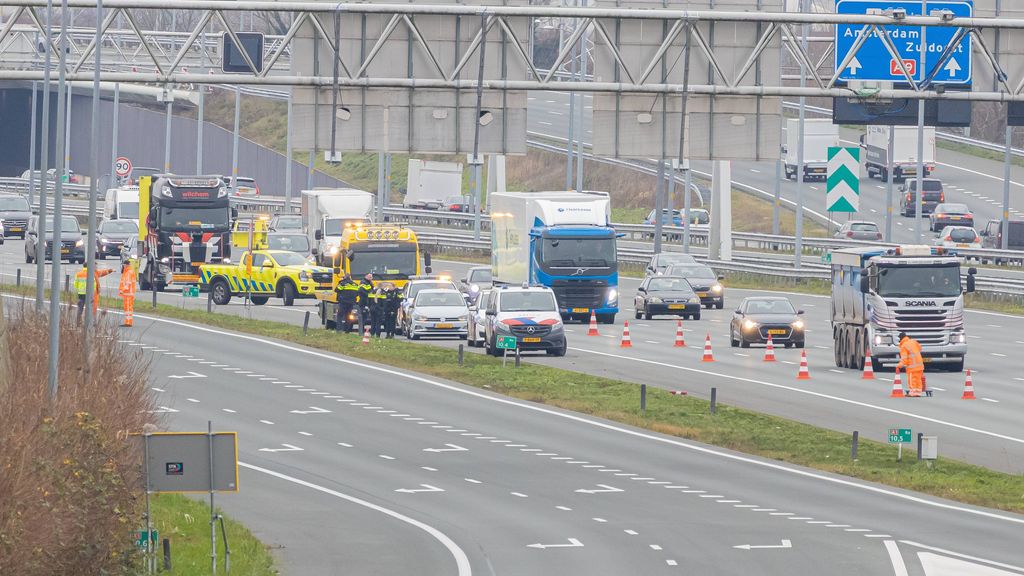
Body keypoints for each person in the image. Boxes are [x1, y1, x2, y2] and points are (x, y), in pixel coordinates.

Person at [896, 331, 925, 397]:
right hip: (920, 365)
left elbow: (904, 359)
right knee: (918, 380)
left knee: (912, 380)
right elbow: (920, 348)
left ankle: (912, 392)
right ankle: (918, 392)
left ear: (900, 339)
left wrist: (899, 365)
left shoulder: (903, 346)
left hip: (912, 367)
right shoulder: (913, 341)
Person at [118, 258, 137, 327]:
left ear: (126, 265)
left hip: (128, 293)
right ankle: (128, 321)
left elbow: (127, 284)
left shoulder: (128, 272)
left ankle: (128, 322)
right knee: (128, 308)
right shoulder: (128, 271)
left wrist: (122, 290)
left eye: (124, 265)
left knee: (128, 308)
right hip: (129, 293)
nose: (124, 266)